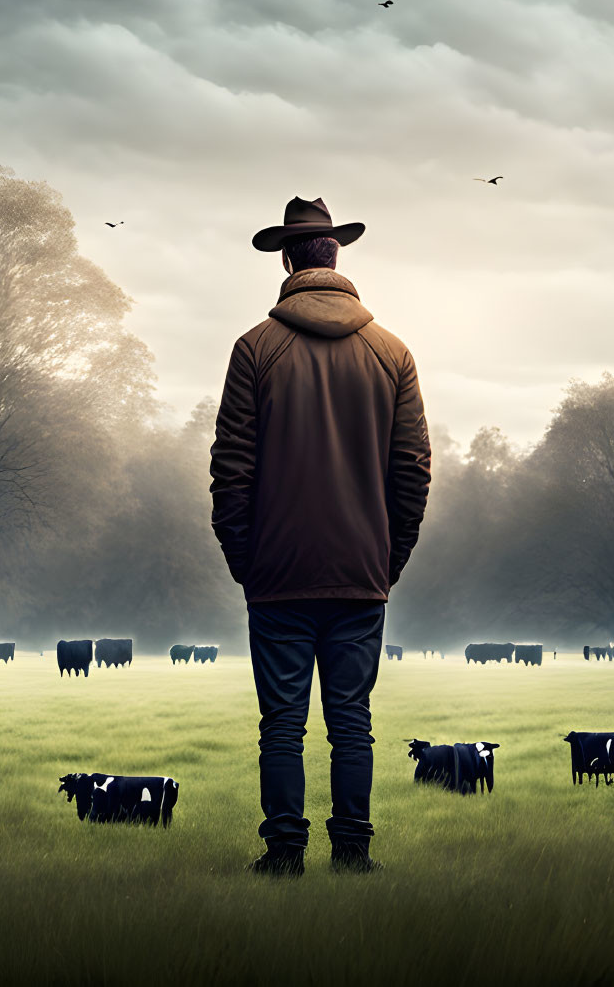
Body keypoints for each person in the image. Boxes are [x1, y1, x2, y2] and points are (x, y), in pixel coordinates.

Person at [209, 196, 432, 877]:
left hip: (277, 576)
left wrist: (247, 561)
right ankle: (353, 853)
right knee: (350, 721)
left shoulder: (254, 349)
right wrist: (385, 560)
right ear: (337, 256)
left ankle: (282, 853)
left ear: (286, 260)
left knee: (281, 723)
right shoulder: (393, 352)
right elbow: (412, 472)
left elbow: (230, 471)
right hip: (360, 574)